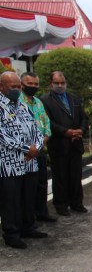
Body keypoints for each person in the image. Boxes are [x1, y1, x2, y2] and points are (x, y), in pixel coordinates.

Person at [0, 71, 46, 249]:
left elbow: (36, 128)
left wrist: (37, 146)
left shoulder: (22, 105)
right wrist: (27, 149)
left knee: (28, 197)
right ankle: (11, 234)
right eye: (13, 87)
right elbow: (2, 136)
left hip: (30, 161)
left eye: (19, 87)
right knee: (11, 201)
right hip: (9, 163)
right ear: (2, 87)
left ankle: (28, 227)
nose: (18, 90)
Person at [41, 71, 88, 216]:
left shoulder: (74, 99)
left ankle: (77, 203)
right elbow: (48, 122)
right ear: (51, 83)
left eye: (62, 83)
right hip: (59, 144)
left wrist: (80, 130)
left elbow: (84, 118)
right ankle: (61, 205)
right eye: (57, 83)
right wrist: (65, 132)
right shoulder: (44, 101)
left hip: (75, 143)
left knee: (75, 176)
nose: (60, 86)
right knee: (60, 176)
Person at [20, 72, 56, 223]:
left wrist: (43, 140)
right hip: (26, 152)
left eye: (36, 84)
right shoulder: (18, 102)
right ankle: (28, 217)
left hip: (40, 149)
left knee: (42, 183)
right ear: (22, 84)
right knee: (27, 187)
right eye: (30, 84)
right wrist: (31, 148)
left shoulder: (38, 102)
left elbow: (46, 124)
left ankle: (42, 212)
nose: (33, 87)